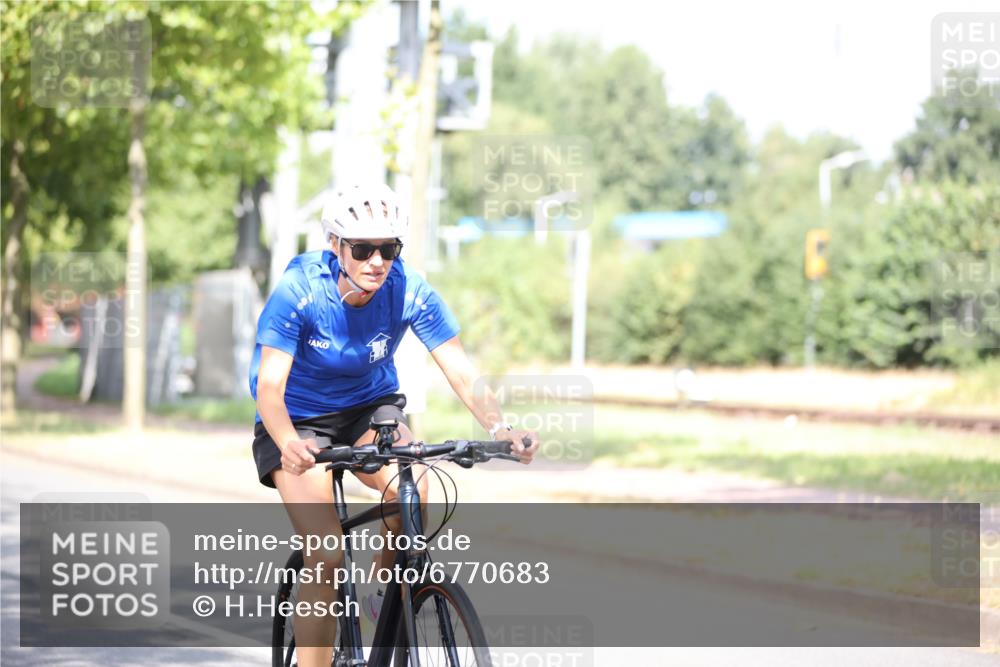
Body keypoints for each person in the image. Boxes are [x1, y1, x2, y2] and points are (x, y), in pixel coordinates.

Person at [249, 183, 539, 667]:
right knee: (326, 554)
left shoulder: (408, 289)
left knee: (415, 487)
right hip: (297, 418)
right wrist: (287, 442)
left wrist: (500, 428)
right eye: (363, 249)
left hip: (369, 406)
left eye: (389, 248)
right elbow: (269, 389)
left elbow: (460, 369)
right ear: (335, 245)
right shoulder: (299, 291)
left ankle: (381, 595)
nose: (377, 261)